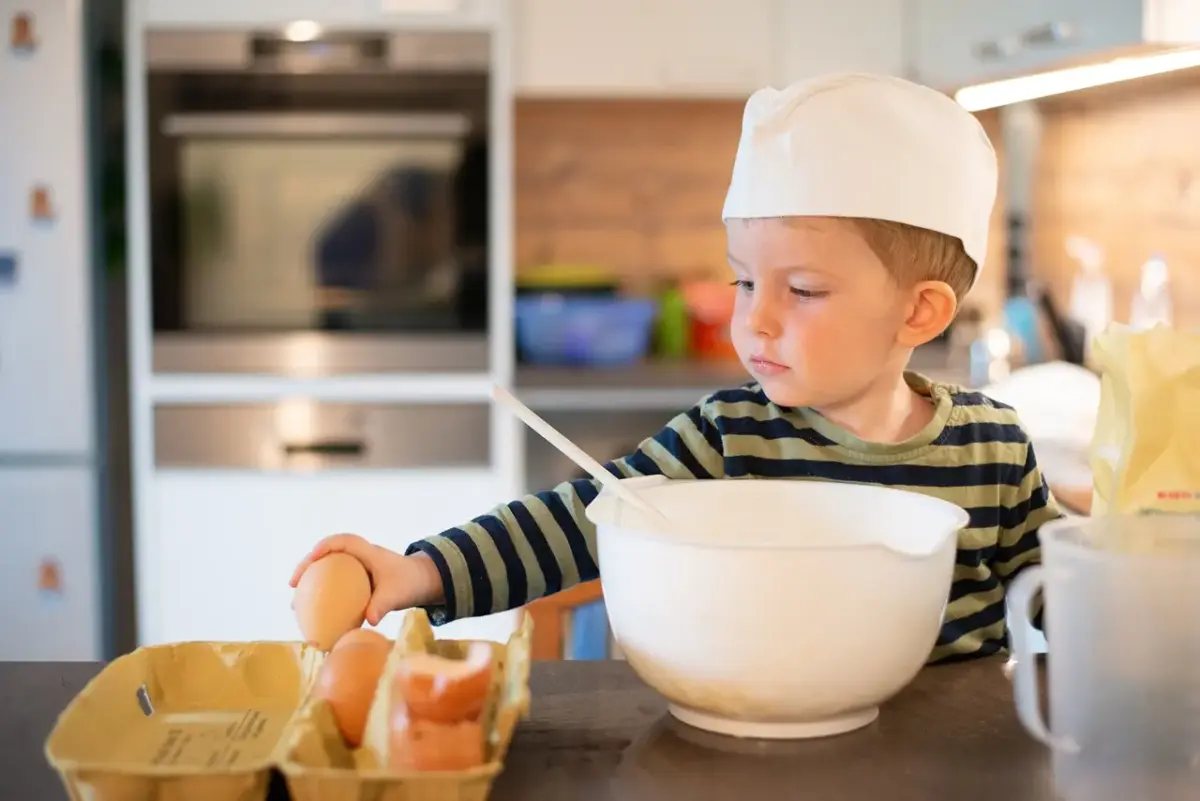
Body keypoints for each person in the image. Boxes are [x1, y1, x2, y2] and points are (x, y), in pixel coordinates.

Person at [290, 73, 1061, 664]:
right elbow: (573, 521)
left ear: (919, 313)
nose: (754, 318)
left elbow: (1065, 601)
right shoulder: (727, 437)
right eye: (745, 281)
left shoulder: (991, 447)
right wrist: (418, 572)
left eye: (801, 290)